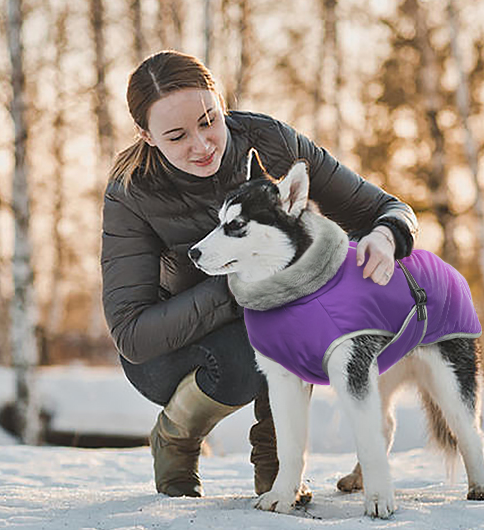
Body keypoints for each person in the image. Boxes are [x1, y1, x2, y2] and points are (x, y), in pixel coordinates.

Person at [101, 50, 418, 498]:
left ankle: (277, 463)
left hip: (266, 323)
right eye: (176, 136)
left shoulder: (271, 142)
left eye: (210, 120)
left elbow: (387, 207)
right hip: (170, 350)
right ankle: (176, 434)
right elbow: (132, 334)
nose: (203, 144)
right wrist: (244, 282)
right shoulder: (131, 192)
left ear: (221, 101)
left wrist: (387, 236)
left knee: (287, 317)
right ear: (146, 136)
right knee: (262, 331)